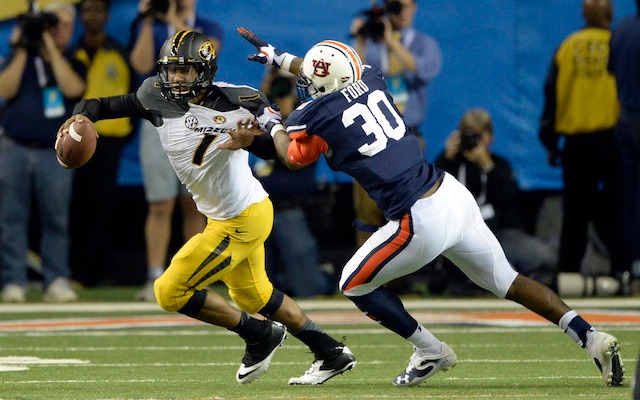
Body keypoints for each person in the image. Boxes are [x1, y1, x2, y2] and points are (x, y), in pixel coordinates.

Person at [231, 27, 625, 387]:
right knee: (509, 281)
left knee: (353, 281)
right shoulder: (368, 75)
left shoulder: (315, 115)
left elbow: (294, 156)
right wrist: (281, 58)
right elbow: (329, 75)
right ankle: (590, 336)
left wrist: (272, 124)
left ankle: (430, 349)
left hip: (418, 216)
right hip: (451, 193)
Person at [58, 30, 356, 385]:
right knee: (254, 294)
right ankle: (330, 351)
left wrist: (251, 141)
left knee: (169, 290)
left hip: (242, 217)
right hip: (228, 213)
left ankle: (258, 334)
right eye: (172, 70)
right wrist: (80, 118)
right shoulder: (155, 95)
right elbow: (102, 105)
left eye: (186, 71)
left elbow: (284, 154)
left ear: (206, 70)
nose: (178, 78)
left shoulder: (240, 100)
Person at [128, 0, 223, 301]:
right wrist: (148, 21)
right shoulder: (151, 26)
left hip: (196, 120)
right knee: (159, 203)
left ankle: (192, 277)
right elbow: (141, 65)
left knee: (194, 203)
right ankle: (154, 274)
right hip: (158, 119)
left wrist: (175, 20)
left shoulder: (207, 28)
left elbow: (203, 60)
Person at [0, 2, 85, 303]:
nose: (56, 29)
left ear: (72, 28)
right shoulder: (19, 56)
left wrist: (49, 45)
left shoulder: (74, 59)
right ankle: (13, 281)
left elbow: (73, 88)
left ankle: (56, 279)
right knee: (11, 217)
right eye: (52, 24)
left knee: (56, 218)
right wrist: (25, 46)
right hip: (14, 146)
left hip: (55, 151)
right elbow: (5, 90)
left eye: (61, 24)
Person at [539, 0, 625, 287]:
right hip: (613, 139)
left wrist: (550, 140)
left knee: (575, 209)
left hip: (576, 142)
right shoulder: (619, 43)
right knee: (617, 206)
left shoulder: (567, 46)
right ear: (610, 15)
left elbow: (552, 94)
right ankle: (623, 269)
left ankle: (569, 273)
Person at [349, 0, 442, 246]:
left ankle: (405, 277)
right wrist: (360, 40)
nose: (398, 12)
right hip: (371, 137)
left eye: (402, 5)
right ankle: (367, 280)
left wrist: (392, 43)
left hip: (407, 135)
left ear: (414, 7)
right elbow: (350, 79)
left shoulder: (423, 44)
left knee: (409, 209)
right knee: (368, 210)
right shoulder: (370, 43)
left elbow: (424, 71)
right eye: (393, 6)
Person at [434, 108, 557, 292]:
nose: (473, 142)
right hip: (459, 238)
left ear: (489, 137)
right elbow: (432, 198)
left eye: (478, 136)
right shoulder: (449, 164)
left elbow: (510, 200)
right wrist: (446, 159)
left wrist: (487, 165)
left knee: (543, 256)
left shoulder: (499, 165)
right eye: (468, 135)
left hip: (498, 235)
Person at [254, 71, 335, 298]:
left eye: (288, 85)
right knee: (259, 288)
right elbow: (253, 111)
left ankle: (324, 279)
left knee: (307, 288)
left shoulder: (307, 117)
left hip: (289, 206)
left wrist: (289, 111)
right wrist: (268, 87)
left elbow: (297, 168)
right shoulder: (265, 117)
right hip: (260, 208)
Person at [69, 0, 133, 287]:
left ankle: (101, 272)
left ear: (106, 15)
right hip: (77, 137)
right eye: (87, 10)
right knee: (77, 203)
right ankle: (78, 271)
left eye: (97, 10)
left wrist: (125, 130)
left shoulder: (119, 51)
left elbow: (132, 95)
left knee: (104, 204)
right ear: (80, 15)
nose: (92, 15)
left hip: (110, 140)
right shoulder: (72, 53)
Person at [607, 0, 640, 296]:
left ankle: (632, 266)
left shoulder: (622, 29)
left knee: (632, 198)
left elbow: (612, 69)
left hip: (626, 119)